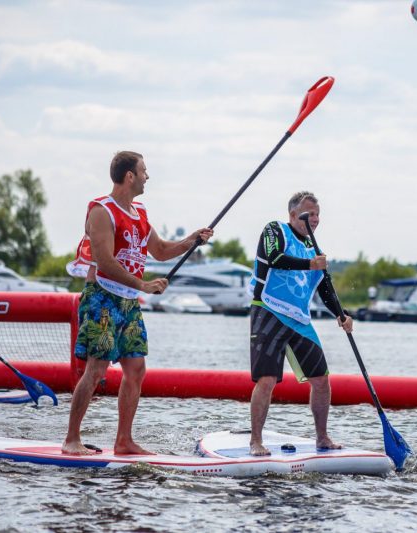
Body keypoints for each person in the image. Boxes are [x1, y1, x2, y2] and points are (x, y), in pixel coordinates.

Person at [62, 151, 213, 455]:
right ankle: (71, 439)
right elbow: (104, 261)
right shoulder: (101, 211)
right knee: (96, 369)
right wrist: (143, 284)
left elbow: (159, 250)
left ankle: (124, 441)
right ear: (129, 176)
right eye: (144, 171)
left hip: (128, 304)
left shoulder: (140, 212)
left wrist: (191, 241)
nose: (147, 177)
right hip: (102, 298)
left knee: (136, 369)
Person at [248, 191, 353, 456]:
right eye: (309, 214)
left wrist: (341, 314)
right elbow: (275, 258)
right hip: (268, 309)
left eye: (318, 214)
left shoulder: (314, 249)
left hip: (298, 319)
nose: (315, 219)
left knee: (321, 380)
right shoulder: (275, 230)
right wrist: (310, 264)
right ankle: (256, 441)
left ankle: (322, 438)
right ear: (293, 215)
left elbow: (325, 289)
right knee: (267, 380)